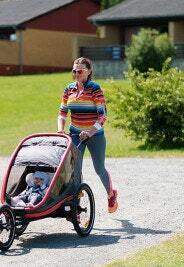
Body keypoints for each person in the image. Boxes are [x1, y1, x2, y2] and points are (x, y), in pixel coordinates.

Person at [57, 57, 119, 213]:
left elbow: (102, 116)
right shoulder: (69, 89)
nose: (76, 74)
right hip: (75, 134)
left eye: (80, 71)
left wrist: (90, 131)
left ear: (89, 71)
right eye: (74, 71)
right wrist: (60, 130)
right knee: (75, 170)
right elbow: (62, 113)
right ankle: (76, 207)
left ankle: (111, 194)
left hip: (95, 135)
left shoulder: (94, 89)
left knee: (99, 169)